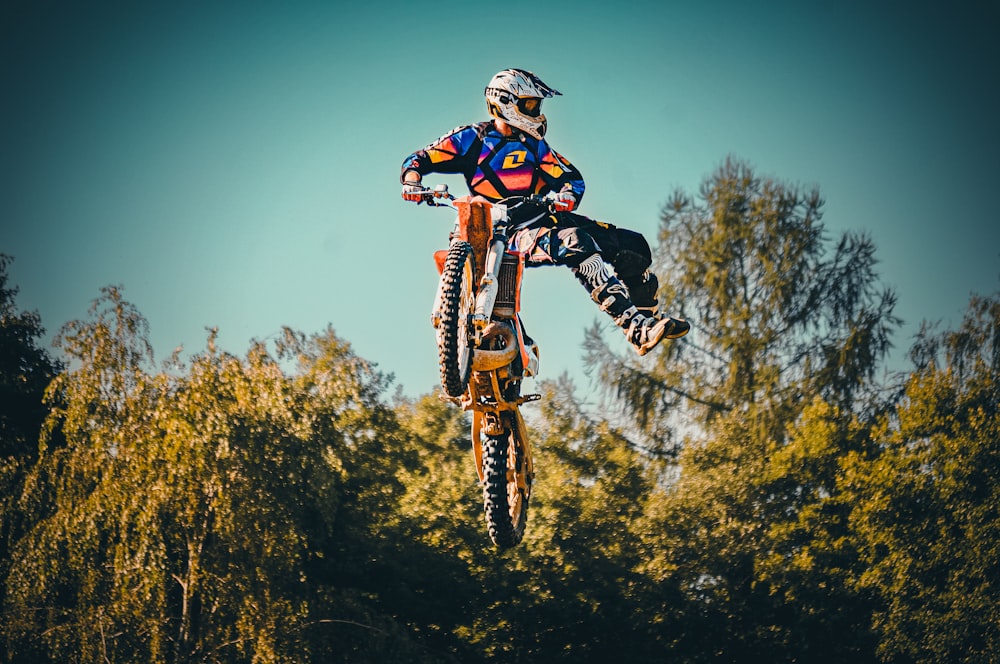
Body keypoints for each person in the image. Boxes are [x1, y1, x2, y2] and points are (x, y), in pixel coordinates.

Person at [400, 68, 689, 356]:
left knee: (632, 243)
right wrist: (413, 182)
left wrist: (566, 196)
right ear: (504, 102)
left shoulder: (535, 146)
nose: (536, 112)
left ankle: (647, 321)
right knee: (576, 241)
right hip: (494, 228)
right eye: (529, 104)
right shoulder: (472, 138)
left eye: (536, 105)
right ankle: (633, 328)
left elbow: (570, 178)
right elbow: (420, 158)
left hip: (537, 220)